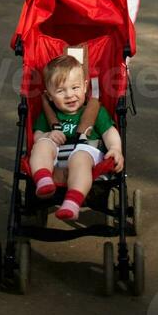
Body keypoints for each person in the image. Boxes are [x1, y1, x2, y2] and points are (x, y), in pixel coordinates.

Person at [30, 55, 124, 220]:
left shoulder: (95, 112)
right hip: (55, 163)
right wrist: (47, 135)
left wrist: (115, 149)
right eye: (60, 90)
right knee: (41, 145)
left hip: (85, 153)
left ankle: (72, 202)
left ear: (85, 87)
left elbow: (109, 132)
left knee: (79, 158)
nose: (69, 95)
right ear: (50, 96)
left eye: (75, 88)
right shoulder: (48, 115)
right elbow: (36, 136)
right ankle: (43, 180)